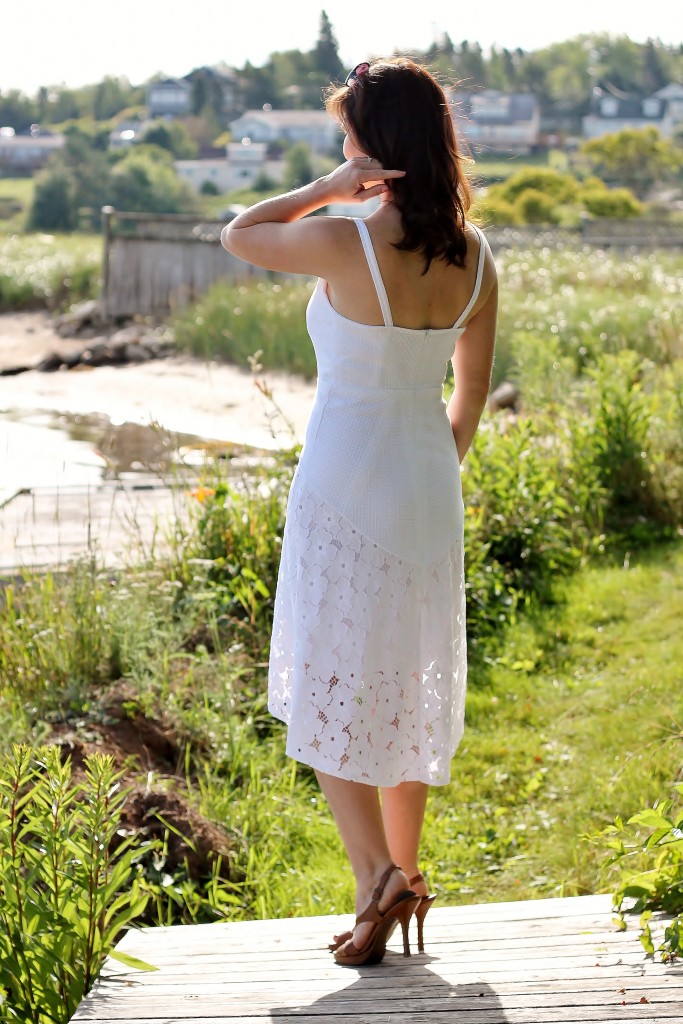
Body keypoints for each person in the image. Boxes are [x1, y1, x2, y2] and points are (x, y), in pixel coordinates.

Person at [221, 57, 497, 967]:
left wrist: (330, 187)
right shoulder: (476, 256)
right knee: (409, 680)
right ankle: (398, 881)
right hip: (427, 486)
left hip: (343, 482)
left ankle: (373, 870)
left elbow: (240, 232)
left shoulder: (342, 237)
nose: (340, 150)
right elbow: (469, 397)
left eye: (347, 135)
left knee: (333, 680)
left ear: (375, 148)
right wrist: (427, 474)